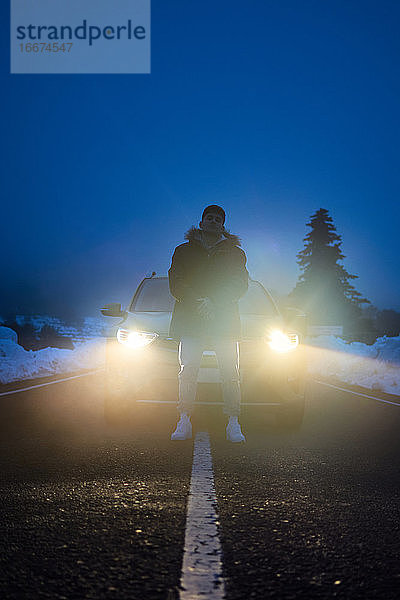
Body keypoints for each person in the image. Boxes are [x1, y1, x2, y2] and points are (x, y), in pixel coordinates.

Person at [168, 205, 249, 442]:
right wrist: (198, 301)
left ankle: (233, 422)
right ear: (201, 222)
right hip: (191, 320)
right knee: (188, 371)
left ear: (223, 226)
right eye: (209, 217)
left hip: (224, 321)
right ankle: (184, 419)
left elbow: (240, 283)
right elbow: (176, 281)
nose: (213, 221)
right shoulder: (182, 251)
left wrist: (214, 301)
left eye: (218, 219)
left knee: (230, 372)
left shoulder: (236, 253)